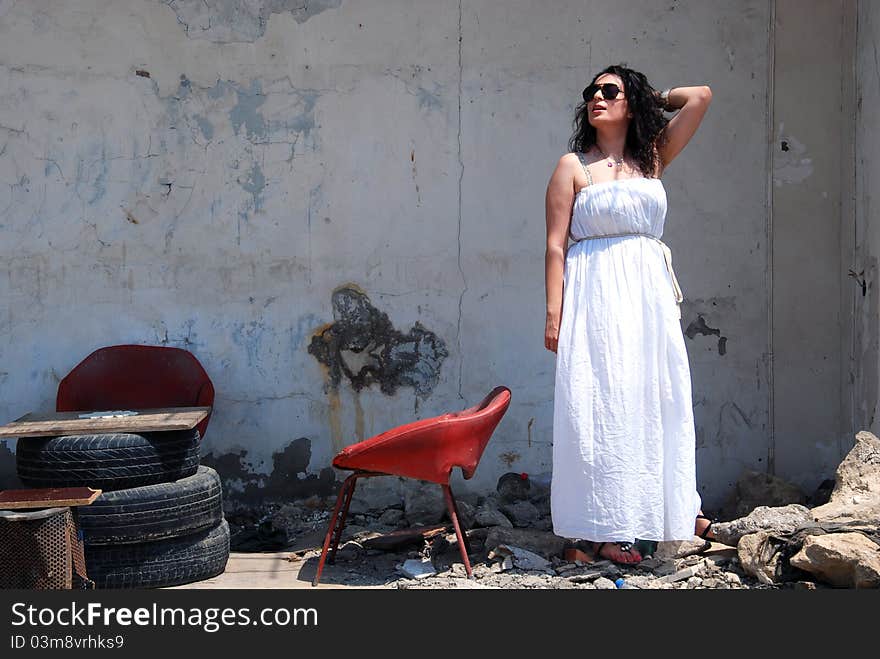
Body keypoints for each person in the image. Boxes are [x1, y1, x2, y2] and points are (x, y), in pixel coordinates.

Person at [544, 64, 715, 564]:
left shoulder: (652, 158)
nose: (597, 96)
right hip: (595, 296)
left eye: (610, 90)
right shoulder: (572, 166)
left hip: (648, 297)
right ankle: (597, 528)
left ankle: (664, 514)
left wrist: (648, 95)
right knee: (600, 405)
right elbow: (555, 246)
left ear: (629, 102)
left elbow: (700, 96)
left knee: (654, 396)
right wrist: (553, 314)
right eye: (591, 91)